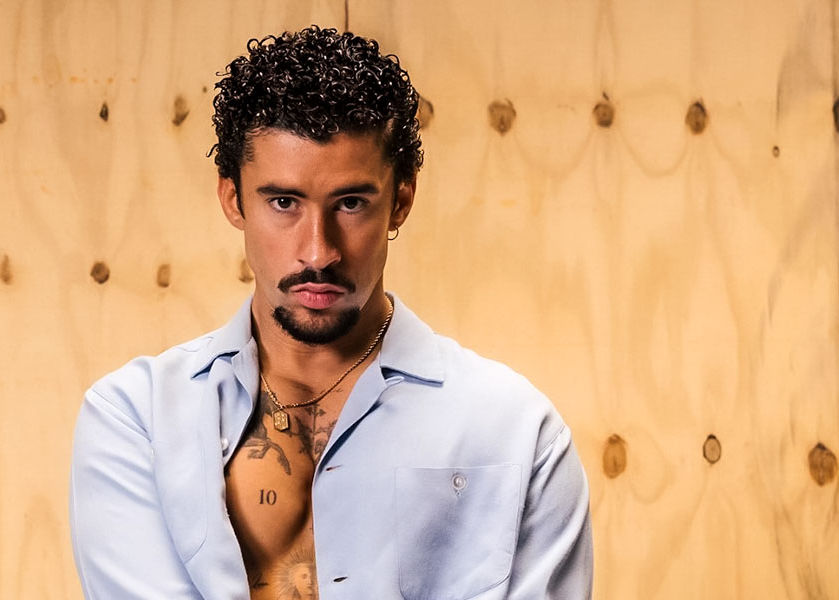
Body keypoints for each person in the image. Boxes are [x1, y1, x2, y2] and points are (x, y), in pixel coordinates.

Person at [69, 25, 593, 599]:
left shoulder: (517, 431)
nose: (318, 252)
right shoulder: (137, 421)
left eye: (350, 203)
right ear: (232, 199)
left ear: (401, 200)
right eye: (283, 202)